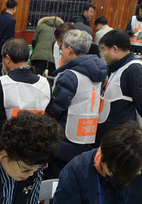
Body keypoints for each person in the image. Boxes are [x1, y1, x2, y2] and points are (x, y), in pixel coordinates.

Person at [44, 30, 106, 180]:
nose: (62, 52)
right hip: (88, 134)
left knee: (58, 180)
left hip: (65, 138)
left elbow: (56, 108)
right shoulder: (98, 74)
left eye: (62, 48)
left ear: (69, 50)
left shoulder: (70, 76)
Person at [0, 37, 51, 144]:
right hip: (37, 143)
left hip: (9, 144)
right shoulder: (45, 83)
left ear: (7, 59)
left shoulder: (0, 84)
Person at [97, 29, 142, 146]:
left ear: (115, 49)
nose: (104, 54)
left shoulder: (134, 69)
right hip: (108, 135)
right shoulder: (116, 67)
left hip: (120, 139)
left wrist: (140, 134)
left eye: (104, 49)